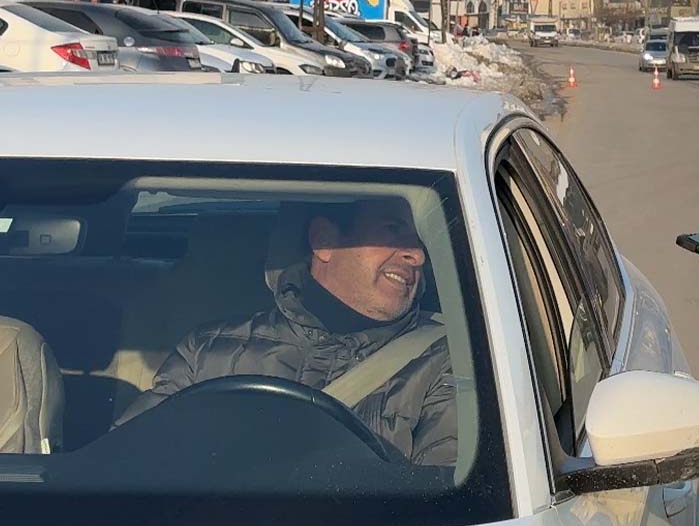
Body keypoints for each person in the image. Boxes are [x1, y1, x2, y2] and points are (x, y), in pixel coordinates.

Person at [119, 198, 456, 466]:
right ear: (324, 241)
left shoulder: (447, 361)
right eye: (393, 229)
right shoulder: (206, 350)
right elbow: (126, 460)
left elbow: (443, 501)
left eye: (421, 239)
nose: (418, 255)